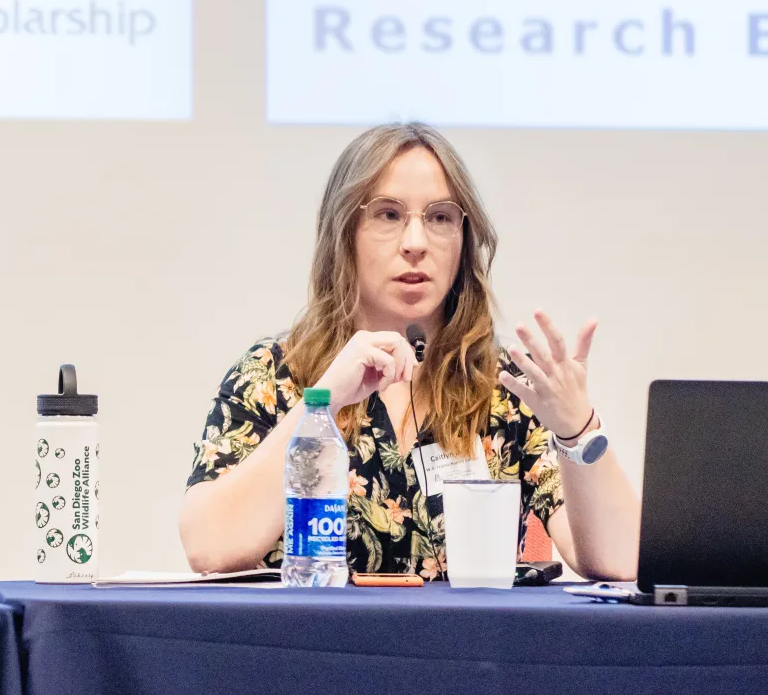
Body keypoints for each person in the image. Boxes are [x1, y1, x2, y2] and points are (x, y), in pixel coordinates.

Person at [179, 123, 640, 581]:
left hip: (468, 651)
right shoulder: (275, 373)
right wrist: (323, 401)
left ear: (463, 239)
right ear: (345, 233)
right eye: (388, 214)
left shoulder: (506, 386)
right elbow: (210, 547)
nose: (416, 244)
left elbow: (621, 562)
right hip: (310, 649)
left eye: (440, 217)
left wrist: (578, 429)